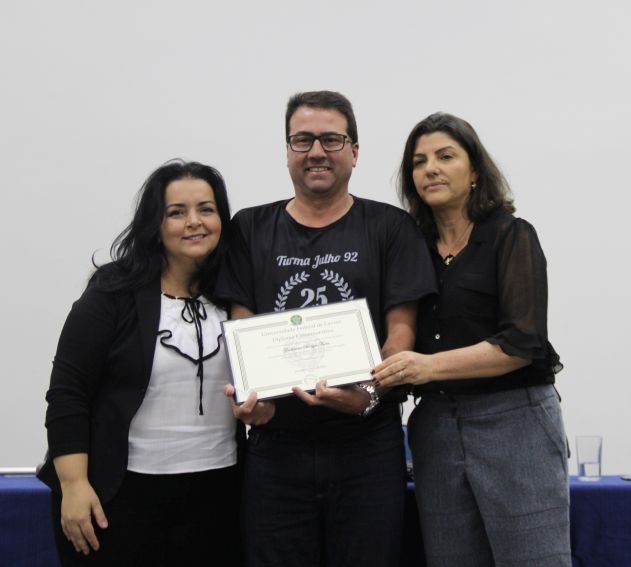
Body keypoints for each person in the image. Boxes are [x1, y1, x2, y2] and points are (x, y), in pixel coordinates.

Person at [216, 90, 436, 566]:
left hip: (367, 446)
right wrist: (253, 397)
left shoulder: (392, 227)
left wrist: (368, 395)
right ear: (287, 151)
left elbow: (401, 335)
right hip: (276, 446)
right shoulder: (249, 228)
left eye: (331, 140)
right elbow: (242, 323)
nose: (316, 151)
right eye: (303, 140)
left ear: (354, 152)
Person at [372, 112, 572, 566]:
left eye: (446, 156)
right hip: (436, 427)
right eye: (419, 162)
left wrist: (427, 366)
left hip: (514, 423)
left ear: (475, 169)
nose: (431, 169)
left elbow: (522, 342)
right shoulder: (410, 248)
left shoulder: (510, 236)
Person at [38, 160, 242, 566]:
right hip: (121, 496)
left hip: (218, 495)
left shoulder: (237, 293)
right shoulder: (113, 292)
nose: (194, 222)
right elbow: (67, 394)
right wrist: (74, 485)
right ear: (155, 223)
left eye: (206, 209)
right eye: (176, 212)